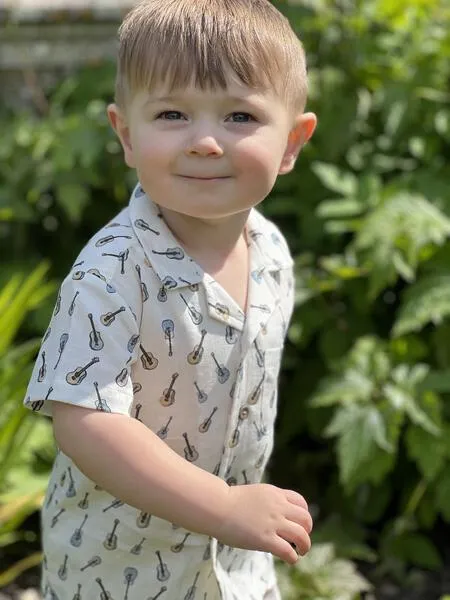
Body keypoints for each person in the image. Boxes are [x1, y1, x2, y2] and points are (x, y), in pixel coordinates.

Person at [24, 0, 317, 598]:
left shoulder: (272, 253)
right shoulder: (111, 273)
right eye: (173, 113)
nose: (206, 141)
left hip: (233, 565)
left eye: (239, 115)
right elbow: (85, 421)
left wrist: (236, 515)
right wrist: (224, 505)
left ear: (291, 143)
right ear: (126, 135)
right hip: (115, 566)